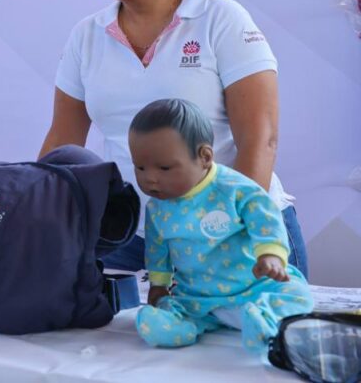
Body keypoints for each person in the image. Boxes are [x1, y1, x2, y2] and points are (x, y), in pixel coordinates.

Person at [39, 0, 307, 277]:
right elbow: (62, 144)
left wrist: (227, 232)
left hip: (237, 229)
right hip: (134, 240)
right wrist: (30, 210)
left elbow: (259, 140)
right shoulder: (86, 35)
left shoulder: (222, 19)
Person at [129, 98, 312, 351]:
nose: (150, 178)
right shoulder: (157, 208)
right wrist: (159, 284)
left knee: (298, 295)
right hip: (198, 297)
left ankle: (263, 319)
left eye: (164, 168)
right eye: (140, 167)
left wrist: (270, 254)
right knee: (167, 310)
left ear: (204, 157)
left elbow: (265, 218)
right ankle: (176, 325)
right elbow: (156, 249)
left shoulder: (234, 189)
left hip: (252, 286)